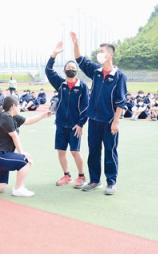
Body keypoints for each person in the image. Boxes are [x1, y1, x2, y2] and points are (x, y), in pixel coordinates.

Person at [70, 32, 128, 195]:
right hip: (94, 119)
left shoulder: (119, 76)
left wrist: (116, 121)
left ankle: (111, 182)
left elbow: (120, 101)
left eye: (101, 51)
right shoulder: (96, 71)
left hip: (109, 121)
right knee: (93, 151)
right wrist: (75, 43)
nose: (99, 54)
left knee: (110, 151)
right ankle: (94, 180)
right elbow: (80, 59)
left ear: (109, 55)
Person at [45, 41, 89, 188]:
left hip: (75, 125)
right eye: (68, 68)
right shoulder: (60, 84)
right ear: (64, 71)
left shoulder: (82, 86)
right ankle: (66, 175)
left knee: (75, 151)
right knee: (61, 151)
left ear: (77, 71)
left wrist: (80, 123)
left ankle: (81, 177)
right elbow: (48, 70)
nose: (71, 69)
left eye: (73, 67)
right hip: (61, 124)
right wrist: (54, 55)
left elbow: (85, 107)